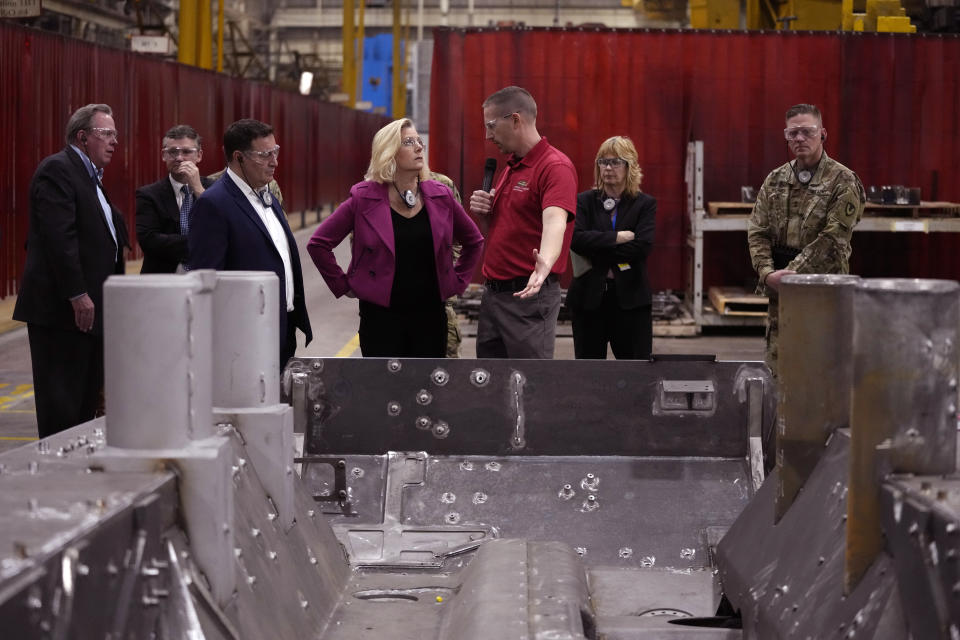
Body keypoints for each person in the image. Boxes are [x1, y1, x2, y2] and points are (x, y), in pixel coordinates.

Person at [307, 118, 483, 357]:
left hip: (430, 315)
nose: (419, 147)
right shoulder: (363, 198)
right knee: (384, 389)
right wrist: (343, 284)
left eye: (419, 141)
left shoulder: (440, 195)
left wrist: (457, 281)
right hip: (380, 318)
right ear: (388, 152)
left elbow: (473, 241)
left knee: (425, 389)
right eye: (409, 142)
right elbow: (318, 244)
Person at [13, 103, 129, 437]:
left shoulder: (91, 178)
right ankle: (56, 475)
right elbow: (58, 239)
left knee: (83, 404)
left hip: (88, 315)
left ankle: (75, 471)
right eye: (106, 134)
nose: (114, 141)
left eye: (115, 135)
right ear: (82, 137)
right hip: (63, 313)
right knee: (61, 407)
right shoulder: (58, 170)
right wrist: (78, 294)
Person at [747, 104, 865, 375]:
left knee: (823, 372)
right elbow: (758, 231)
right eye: (793, 133)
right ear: (786, 136)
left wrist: (792, 276)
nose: (800, 138)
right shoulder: (775, 180)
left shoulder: (843, 181)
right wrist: (766, 273)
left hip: (823, 292)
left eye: (807, 132)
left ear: (822, 134)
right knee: (780, 370)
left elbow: (833, 239)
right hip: (782, 295)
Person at [188, 118, 312, 369]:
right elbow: (205, 279)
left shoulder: (268, 196)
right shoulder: (215, 204)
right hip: (244, 336)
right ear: (239, 157)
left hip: (282, 327)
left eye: (275, 151)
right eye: (264, 154)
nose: (274, 161)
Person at [468, 86, 577, 359]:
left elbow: (555, 221)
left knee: (528, 386)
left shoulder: (554, 167)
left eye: (491, 125)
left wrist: (545, 264)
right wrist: (486, 217)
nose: (487, 135)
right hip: (494, 296)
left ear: (516, 120)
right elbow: (510, 227)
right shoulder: (512, 167)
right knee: (489, 382)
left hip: (527, 298)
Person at [567, 136, 656, 360]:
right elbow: (575, 239)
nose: (608, 168)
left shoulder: (644, 204)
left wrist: (597, 247)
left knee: (635, 373)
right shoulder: (584, 201)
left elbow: (642, 247)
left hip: (631, 302)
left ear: (630, 166)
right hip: (589, 300)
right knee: (590, 373)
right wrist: (617, 237)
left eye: (615, 162)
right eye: (603, 162)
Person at [136, 125, 214, 273]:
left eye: (186, 152)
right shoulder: (148, 194)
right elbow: (149, 240)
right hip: (163, 278)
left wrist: (198, 190)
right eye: (172, 152)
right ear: (163, 155)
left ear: (199, 155)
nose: (179, 158)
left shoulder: (215, 190)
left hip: (206, 276)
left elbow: (222, 229)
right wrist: (201, 242)